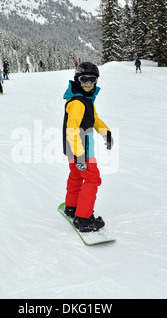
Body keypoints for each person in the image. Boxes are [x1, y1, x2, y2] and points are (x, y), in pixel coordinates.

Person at [62, 62, 113, 233]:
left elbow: (95, 120)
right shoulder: (78, 103)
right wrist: (81, 156)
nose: (88, 84)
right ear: (78, 80)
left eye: (92, 80)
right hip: (81, 150)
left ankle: (71, 207)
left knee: (76, 176)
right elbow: (72, 129)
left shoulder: (85, 100)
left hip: (73, 150)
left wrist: (106, 133)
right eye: (85, 80)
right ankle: (83, 218)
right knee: (92, 179)